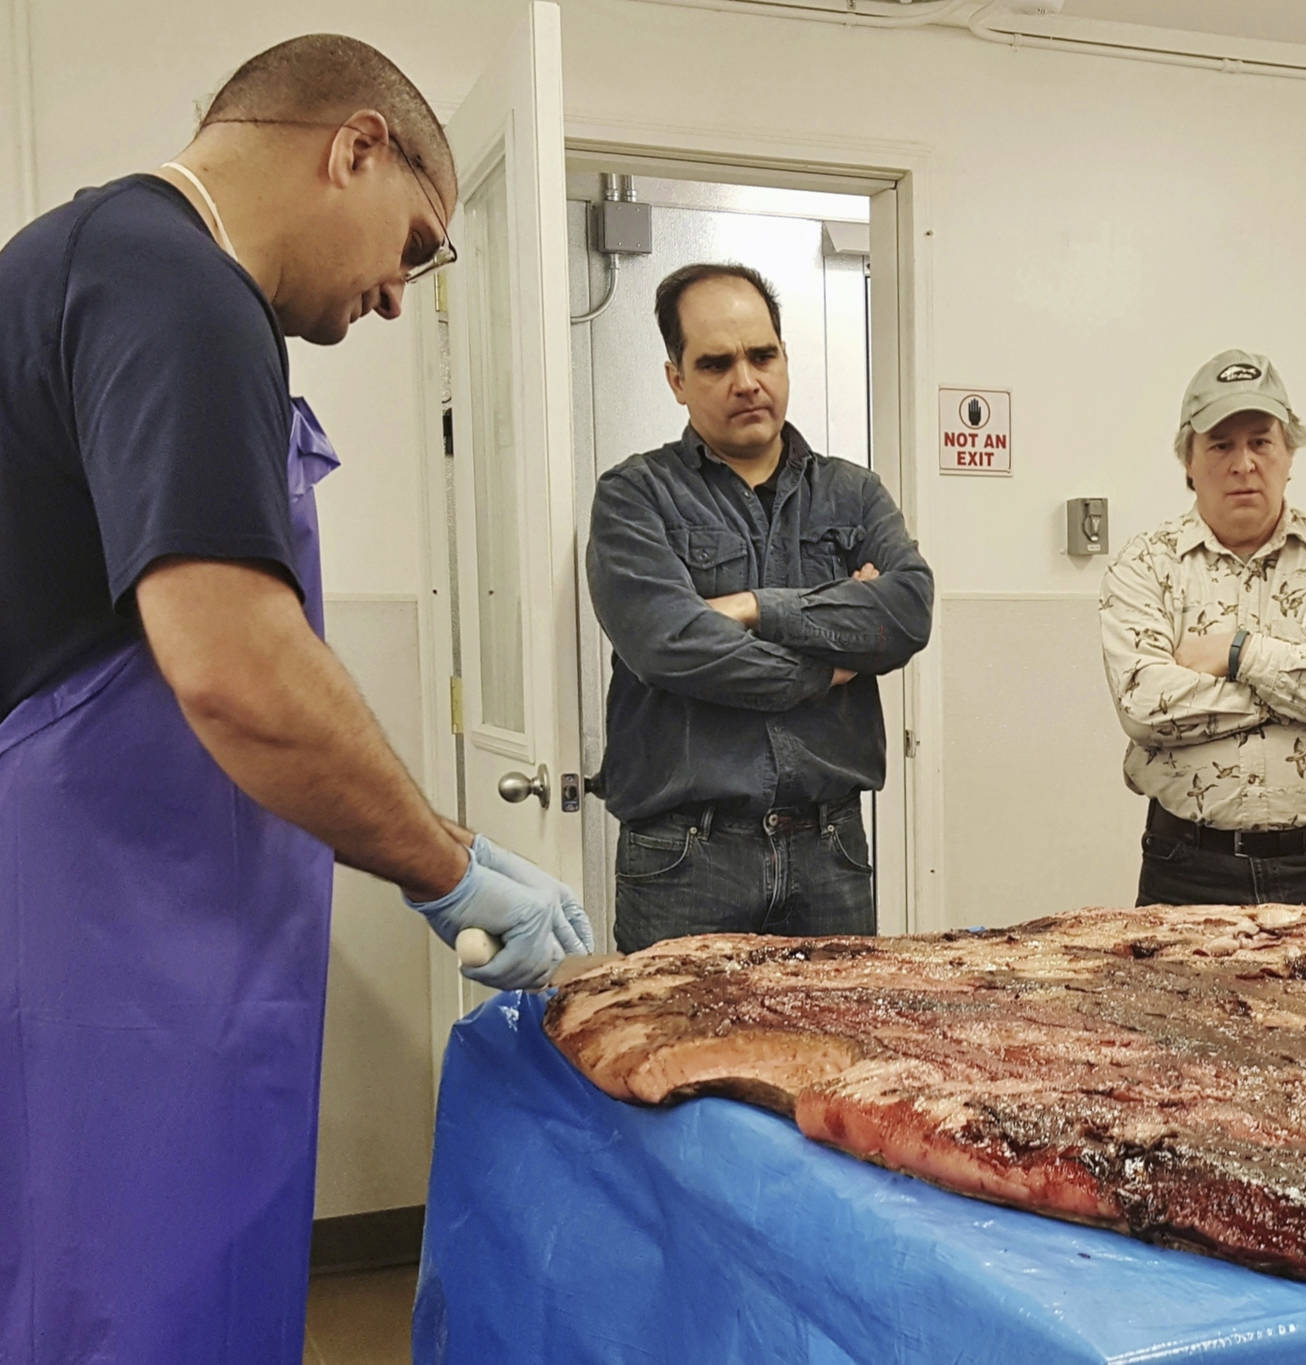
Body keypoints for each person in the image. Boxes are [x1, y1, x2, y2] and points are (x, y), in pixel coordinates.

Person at [0, 35, 593, 1363]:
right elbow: (237, 665)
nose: (401, 293)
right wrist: (451, 869)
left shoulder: (98, 265)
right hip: (113, 963)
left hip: (161, 951)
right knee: (125, 1315)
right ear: (356, 146)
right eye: (418, 241)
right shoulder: (172, 281)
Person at [587, 262, 933, 951]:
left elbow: (907, 611)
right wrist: (828, 665)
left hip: (832, 851)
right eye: (715, 363)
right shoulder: (635, 496)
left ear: (783, 356)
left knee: (838, 1055)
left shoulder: (853, 493)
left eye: (762, 355)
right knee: (677, 1059)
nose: (746, 381)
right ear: (676, 379)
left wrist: (751, 607)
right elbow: (669, 643)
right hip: (686, 859)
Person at [1100, 349, 1306, 908]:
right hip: (1187, 871)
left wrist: (1240, 654)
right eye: (1220, 444)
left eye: (1261, 442)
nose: (1243, 463)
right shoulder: (1144, 565)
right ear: (1188, 463)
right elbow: (1143, 706)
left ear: (1290, 454)